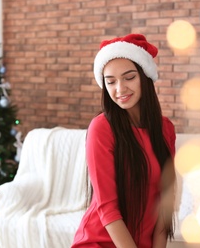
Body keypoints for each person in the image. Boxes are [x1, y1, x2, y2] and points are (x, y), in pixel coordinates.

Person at [71, 34, 177, 248]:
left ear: (145, 77)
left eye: (129, 78)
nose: (120, 89)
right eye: (110, 82)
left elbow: (164, 204)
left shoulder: (165, 129)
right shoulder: (101, 128)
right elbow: (107, 207)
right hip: (98, 242)